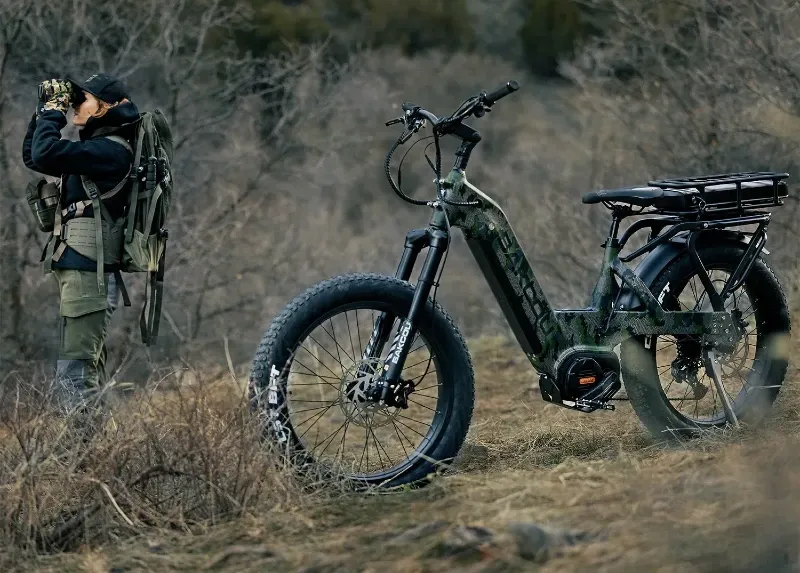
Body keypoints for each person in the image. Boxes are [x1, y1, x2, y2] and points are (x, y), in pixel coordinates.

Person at [22, 73, 140, 412]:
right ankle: (89, 439)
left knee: (75, 373)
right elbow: (35, 156)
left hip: (90, 273)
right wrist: (44, 110)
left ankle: (80, 443)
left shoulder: (111, 150)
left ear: (105, 107)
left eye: (82, 99)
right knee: (80, 370)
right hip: (82, 269)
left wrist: (53, 113)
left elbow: (46, 154)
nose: (74, 105)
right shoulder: (98, 146)